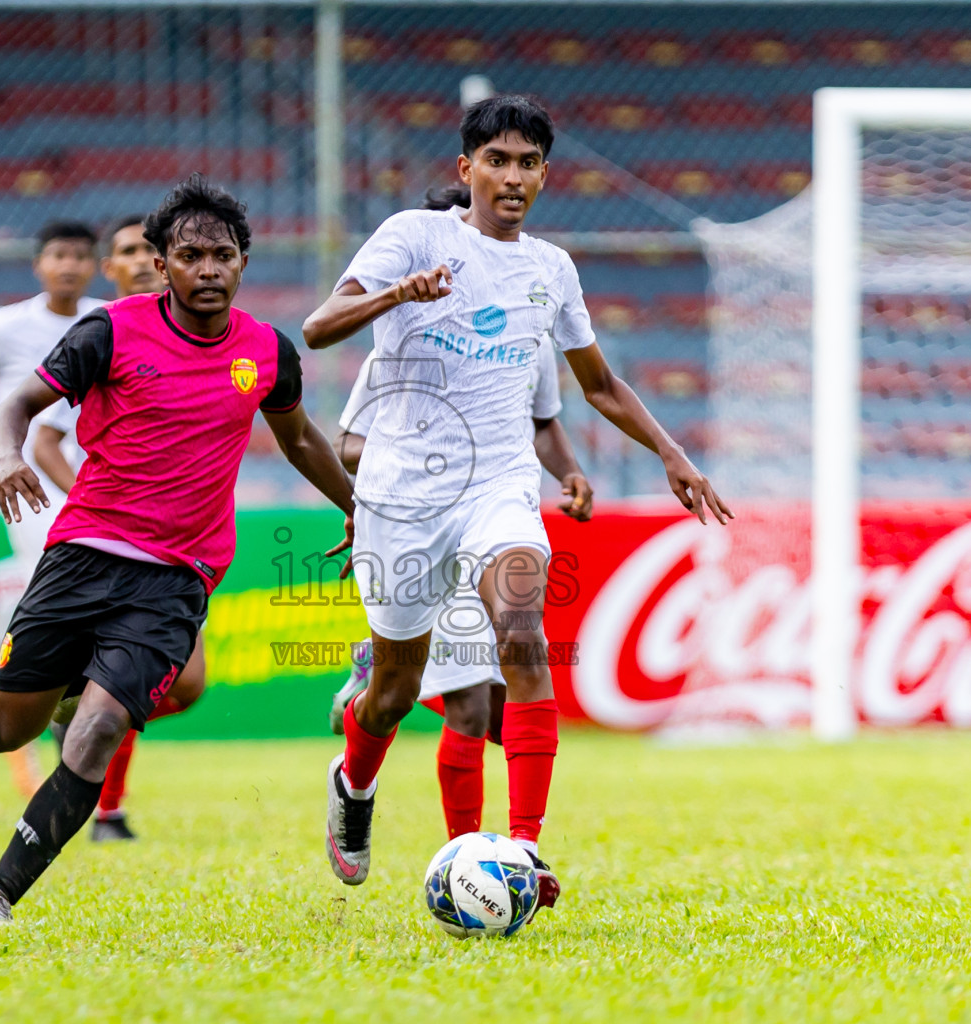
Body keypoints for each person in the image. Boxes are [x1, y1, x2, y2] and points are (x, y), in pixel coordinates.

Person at [302, 94, 731, 921]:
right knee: (391, 694)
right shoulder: (413, 237)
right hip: (403, 493)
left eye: (527, 163)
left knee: (523, 631)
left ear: (544, 175)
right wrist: (398, 296)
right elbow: (319, 329)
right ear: (465, 170)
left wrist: (672, 454)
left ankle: (523, 851)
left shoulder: (551, 270)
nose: (512, 176)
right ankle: (354, 782)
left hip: (500, 484)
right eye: (495, 160)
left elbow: (596, 384)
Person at [0, 175, 355, 925]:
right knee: (1, 730)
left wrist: (358, 507)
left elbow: (299, 439)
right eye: (191, 254)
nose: (209, 269)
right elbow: (17, 404)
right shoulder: (109, 332)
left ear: (243, 264)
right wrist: (8, 455)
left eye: (224, 255)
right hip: (82, 552)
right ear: (164, 263)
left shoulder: (268, 351)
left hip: (179, 572)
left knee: (103, 727)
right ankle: (69, 693)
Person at [327, 183, 594, 841]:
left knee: (503, 674)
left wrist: (571, 473)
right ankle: (359, 772)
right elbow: (351, 442)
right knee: (454, 703)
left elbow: (542, 422)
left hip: (494, 512)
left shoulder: (524, 326)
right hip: (415, 518)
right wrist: (377, 495)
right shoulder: (402, 337)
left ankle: (500, 857)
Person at [32, 213, 209, 843]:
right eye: (127, 251)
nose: (140, 260)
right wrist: (86, 502)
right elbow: (43, 433)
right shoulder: (101, 334)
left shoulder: (208, 332)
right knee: (120, 681)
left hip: (184, 538)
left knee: (185, 686)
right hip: (101, 540)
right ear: (110, 269)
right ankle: (105, 809)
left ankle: (78, 726)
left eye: (150, 249)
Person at [0, 220, 105, 799]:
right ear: (39, 263)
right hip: (29, 481)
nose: (69, 265)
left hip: (99, 478)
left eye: (81, 256)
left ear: (94, 265)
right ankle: (44, 714)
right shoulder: (3, 325)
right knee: (58, 580)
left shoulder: (104, 321)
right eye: (58, 254)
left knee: (74, 594)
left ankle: (62, 709)